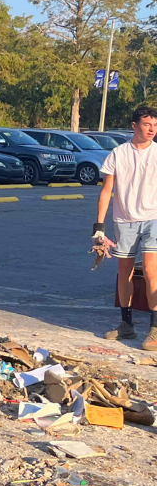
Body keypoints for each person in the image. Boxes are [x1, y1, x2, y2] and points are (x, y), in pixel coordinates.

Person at [93, 105, 157, 350]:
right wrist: (99, 226)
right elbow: (106, 191)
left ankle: (155, 329)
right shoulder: (118, 154)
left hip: (153, 218)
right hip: (125, 220)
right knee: (125, 272)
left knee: (152, 271)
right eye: (146, 124)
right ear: (134, 126)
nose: (151, 129)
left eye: (155, 125)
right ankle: (126, 326)